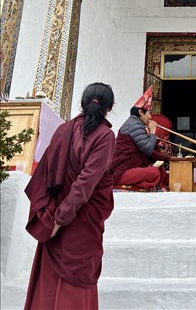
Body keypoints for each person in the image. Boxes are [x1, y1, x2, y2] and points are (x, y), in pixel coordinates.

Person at [24, 82, 116, 310]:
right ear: (109, 107)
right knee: (75, 289)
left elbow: (44, 176)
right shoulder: (105, 136)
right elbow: (86, 183)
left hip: (57, 217)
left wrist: (53, 217)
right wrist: (60, 219)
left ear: (82, 103)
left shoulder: (64, 130)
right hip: (76, 221)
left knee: (49, 286)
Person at [111, 86, 172, 191]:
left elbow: (149, 152)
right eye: (148, 113)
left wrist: (170, 159)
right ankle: (141, 186)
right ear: (140, 112)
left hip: (127, 170)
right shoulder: (135, 125)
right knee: (154, 173)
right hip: (121, 173)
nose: (150, 117)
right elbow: (148, 150)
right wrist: (153, 131)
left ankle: (142, 185)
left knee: (158, 171)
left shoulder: (134, 123)